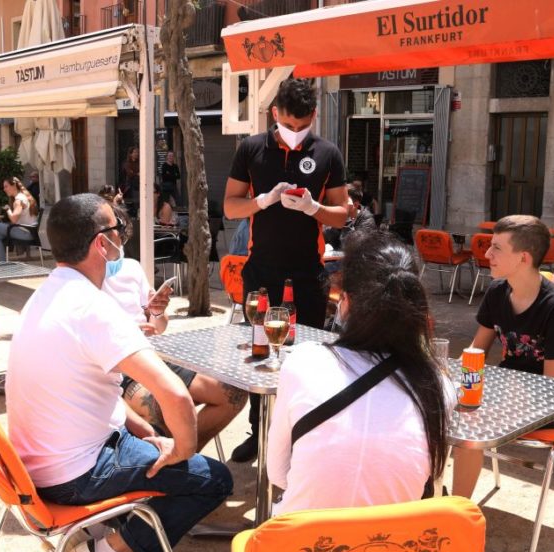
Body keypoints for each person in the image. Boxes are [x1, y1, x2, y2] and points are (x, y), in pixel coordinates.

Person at [6, 194, 232, 552]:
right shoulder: (93, 307)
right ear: (100, 243)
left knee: (160, 449)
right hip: (75, 474)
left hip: (36, 467)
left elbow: (95, 391)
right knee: (212, 480)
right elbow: (176, 396)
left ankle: (105, 531)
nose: (122, 237)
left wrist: (147, 433)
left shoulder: (44, 296)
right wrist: (181, 451)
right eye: (118, 230)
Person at [267, 230, 455, 515]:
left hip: (301, 551)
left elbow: (278, 473)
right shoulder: (438, 386)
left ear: (347, 302)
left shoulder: (304, 362)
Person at [224, 77, 349, 462]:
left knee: (305, 359)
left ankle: (300, 437)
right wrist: (261, 201)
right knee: (259, 353)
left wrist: (314, 209)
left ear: (313, 116)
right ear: (274, 114)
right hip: (261, 272)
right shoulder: (251, 149)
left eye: (302, 125)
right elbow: (230, 206)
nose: (295, 133)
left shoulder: (327, 153)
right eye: (288, 124)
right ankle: (258, 432)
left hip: (308, 275)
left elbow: (343, 215)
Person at [452, 215, 554, 498]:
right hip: (507, 390)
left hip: (548, 402)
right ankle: (432, 495)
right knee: (433, 406)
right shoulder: (498, 292)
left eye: (497, 247)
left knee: (469, 423)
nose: (487, 254)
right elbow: (476, 353)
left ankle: (455, 512)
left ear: (523, 257)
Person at [100, 202, 247, 450]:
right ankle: (173, 464)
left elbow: (159, 325)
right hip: (119, 368)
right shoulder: (81, 281)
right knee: (166, 409)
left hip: (153, 355)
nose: (119, 239)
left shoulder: (131, 268)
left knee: (232, 392)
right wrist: (127, 335)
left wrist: (157, 312)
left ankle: (182, 456)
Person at [0, 177, 38, 262]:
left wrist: (8, 209)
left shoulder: (19, 200)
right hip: (30, 232)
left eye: (6, 186)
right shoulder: (23, 196)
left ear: (14, 185)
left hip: (25, 233)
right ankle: (3, 263)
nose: (4, 189)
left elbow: (14, 220)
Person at [120, 146, 140, 215]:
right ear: (131, 154)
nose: (136, 154)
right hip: (130, 186)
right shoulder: (126, 163)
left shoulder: (139, 163)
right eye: (135, 152)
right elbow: (129, 174)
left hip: (138, 185)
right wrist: (136, 174)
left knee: (138, 202)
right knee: (132, 202)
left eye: (137, 152)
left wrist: (134, 173)